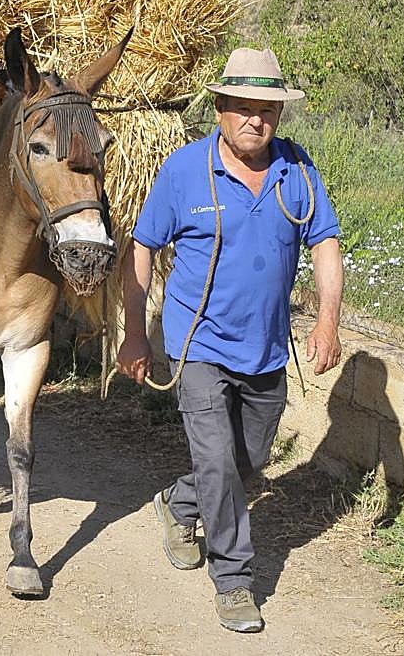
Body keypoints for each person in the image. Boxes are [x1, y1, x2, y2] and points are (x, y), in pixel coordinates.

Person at [116, 47, 344, 634]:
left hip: (265, 346)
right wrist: (136, 333)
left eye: (266, 109)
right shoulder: (185, 170)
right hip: (198, 341)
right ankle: (235, 580)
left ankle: (180, 502)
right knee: (217, 457)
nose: (254, 120)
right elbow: (142, 247)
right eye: (241, 107)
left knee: (250, 461)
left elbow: (324, 243)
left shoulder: (298, 170)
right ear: (219, 109)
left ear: (279, 115)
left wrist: (326, 320)